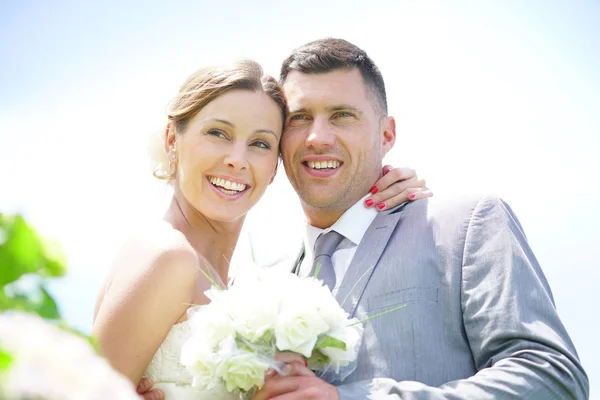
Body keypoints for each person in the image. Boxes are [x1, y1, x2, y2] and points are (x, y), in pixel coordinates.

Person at [247, 38, 589, 399]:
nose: (317, 137)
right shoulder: (257, 281)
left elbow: (552, 379)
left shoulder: (466, 225)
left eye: (342, 115)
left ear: (387, 133)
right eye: (300, 118)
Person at [92, 60, 430, 399]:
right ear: (171, 140)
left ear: (275, 167)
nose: (237, 159)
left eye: (260, 144)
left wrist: (377, 184)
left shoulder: (240, 281)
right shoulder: (167, 257)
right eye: (218, 133)